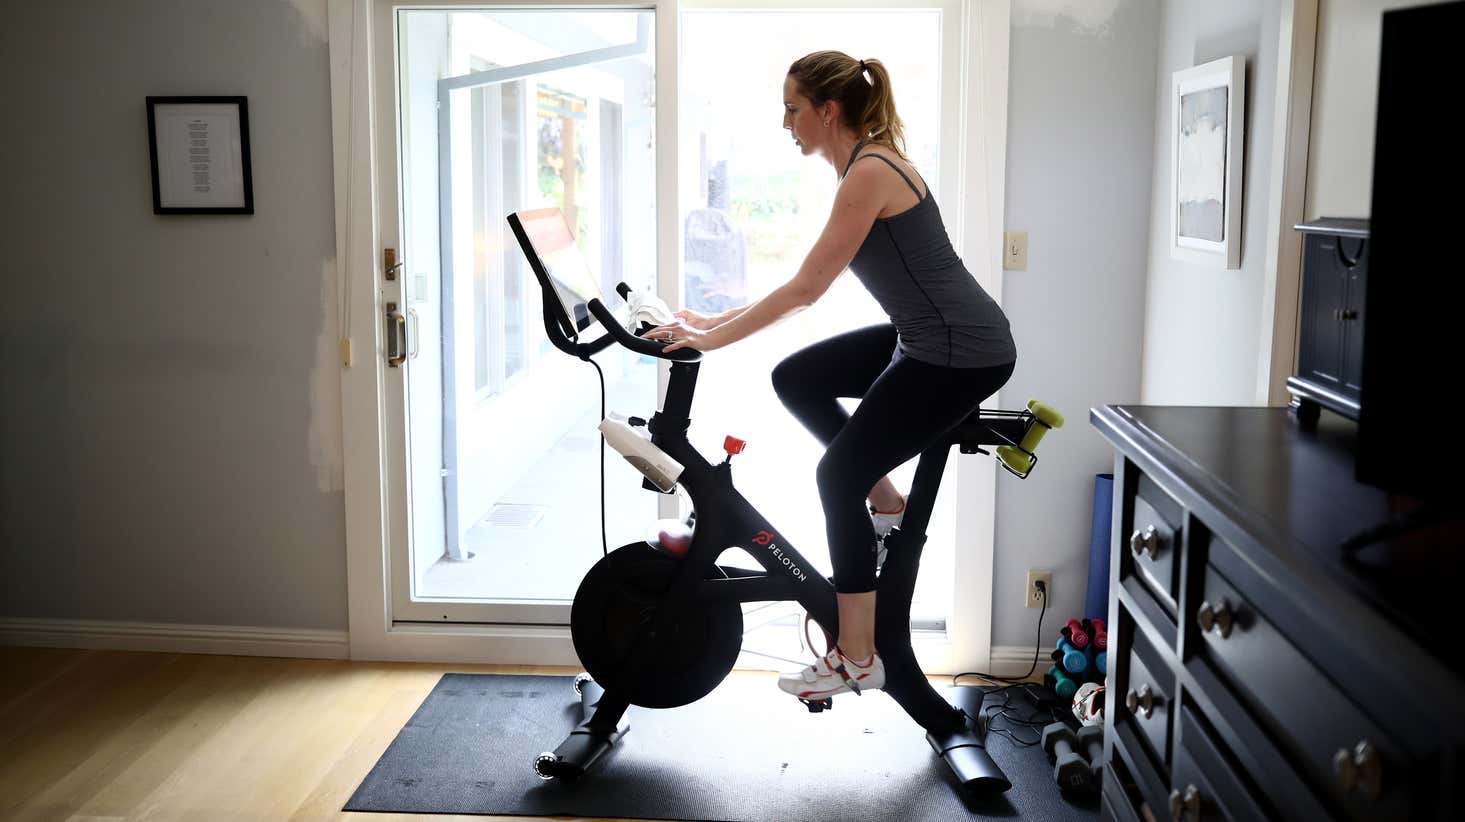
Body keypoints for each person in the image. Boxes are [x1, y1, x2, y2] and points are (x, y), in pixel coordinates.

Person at [645, 50, 1017, 700]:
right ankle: (886, 504)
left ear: (828, 109)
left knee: (834, 476)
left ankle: (858, 656)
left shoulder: (870, 172)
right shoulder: (865, 166)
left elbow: (805, 292)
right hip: (928, 337)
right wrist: (707, 320)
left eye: (793, 109)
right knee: (798, 378)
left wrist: (708, 338)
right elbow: (802, 281)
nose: (786, 123)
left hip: (959, 350)